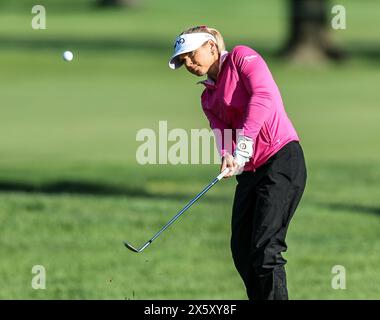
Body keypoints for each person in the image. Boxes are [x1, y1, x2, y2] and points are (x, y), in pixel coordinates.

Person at [168, 25, 307, 300]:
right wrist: (228, 157)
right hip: (252, 172)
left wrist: (243, 145)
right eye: (183, 60)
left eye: (191, 54)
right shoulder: (207, 97)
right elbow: (223, 134)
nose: (189, 63)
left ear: (210, 46)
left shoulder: (242, 58)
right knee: (242, 249)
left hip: (281, 160)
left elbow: (263, 97)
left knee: (266, 248)